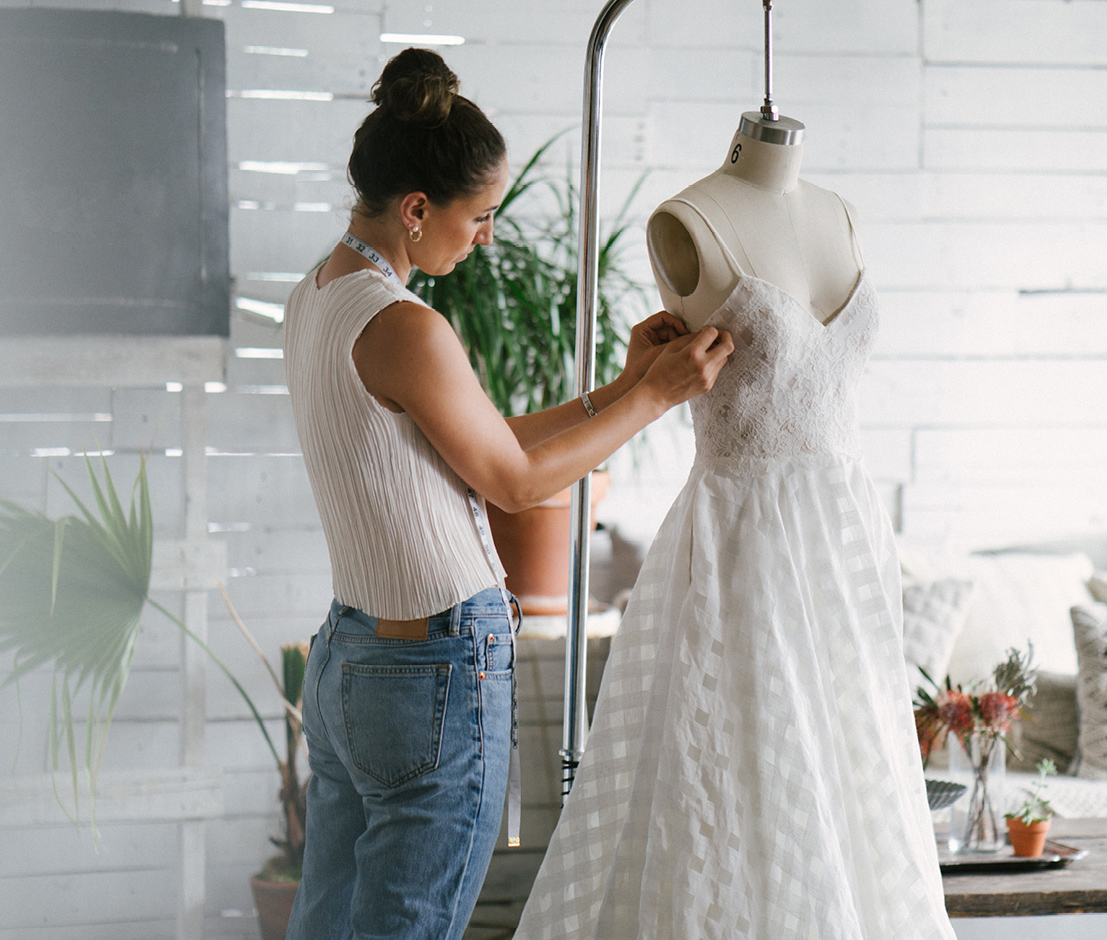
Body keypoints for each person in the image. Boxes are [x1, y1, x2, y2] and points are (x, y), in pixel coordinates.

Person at [282, 47, 733, 940]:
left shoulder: (318, 294)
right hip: (432, 672)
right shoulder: (402, 325)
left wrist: (620, 382)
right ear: (417, 210)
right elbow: (517, 485)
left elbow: (476, 445)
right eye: (479, 216)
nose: (486, 236)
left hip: (355, 660)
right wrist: (657, 397)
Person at [513, 108, 954, 938]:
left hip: (843, 541)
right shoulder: (690, 222)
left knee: (853, 778)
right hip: (742, 536)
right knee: (744, 777)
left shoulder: (839, 214)